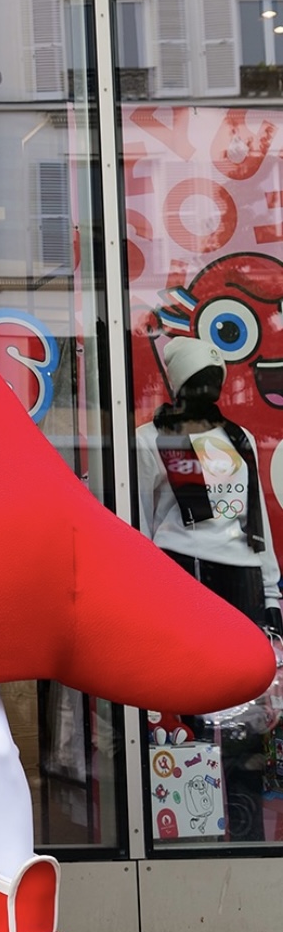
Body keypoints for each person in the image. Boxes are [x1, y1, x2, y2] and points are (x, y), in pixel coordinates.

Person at [136, 336, 283, 840]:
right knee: (189, 704)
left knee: (244, 710)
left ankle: (243, 825)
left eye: (216, 380)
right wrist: (145, 594)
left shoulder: (240, 437)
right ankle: (192, 828)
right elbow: (139, 524)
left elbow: (255, 522)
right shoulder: (150, 441)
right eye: (201, 380)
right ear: (179, 385)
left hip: (241, 578)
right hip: (184, 575)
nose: (211, 388)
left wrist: (270, 595)